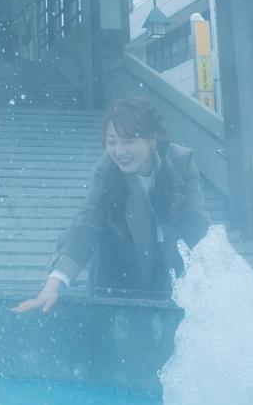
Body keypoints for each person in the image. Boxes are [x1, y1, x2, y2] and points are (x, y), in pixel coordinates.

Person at [13, 96, 210, 313]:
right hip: (117, 280)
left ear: (152, 139)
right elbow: (85, 226)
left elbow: (197, 226)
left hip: (168, 274)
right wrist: (52, 285)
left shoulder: (180, 162)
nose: (119, 151)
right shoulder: (107, 170)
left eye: (128, 141)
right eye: (112, 141)